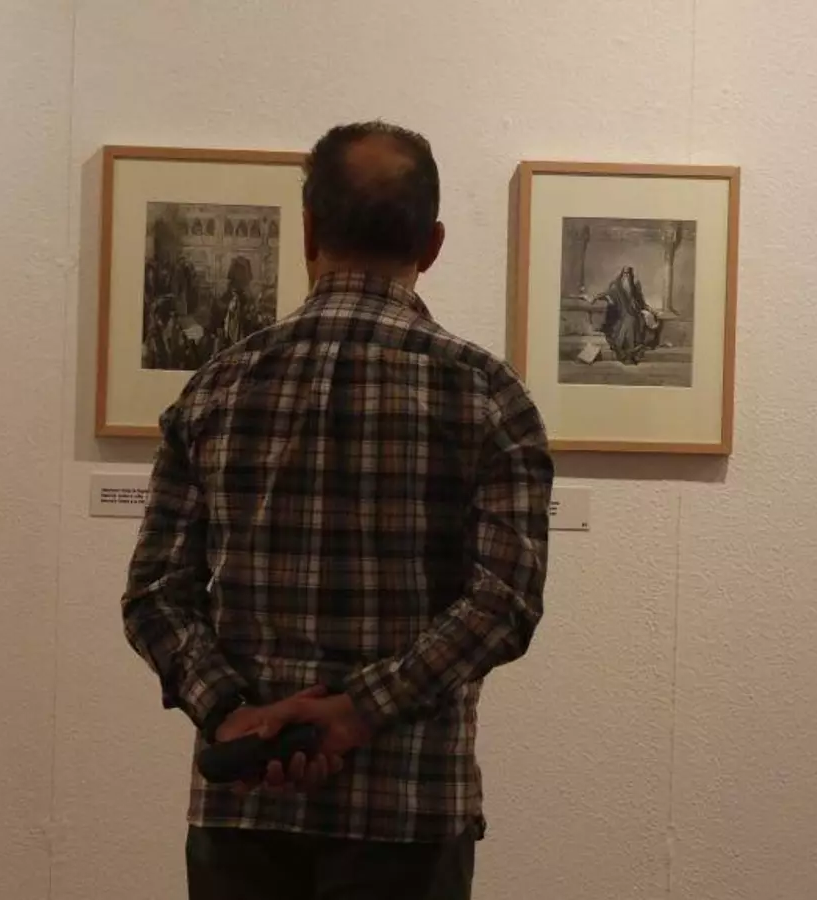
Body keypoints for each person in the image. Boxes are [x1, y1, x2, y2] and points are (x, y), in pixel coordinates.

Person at [121, 119, 554, 900]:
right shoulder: (489, 395)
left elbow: (155, 596)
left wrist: (234, 714)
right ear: (433, 244)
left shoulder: (216, 386)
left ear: (309, 232)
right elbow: (504, 602)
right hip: (409, 809)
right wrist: (358, 711)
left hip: (244, 804)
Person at [598, 266, 662, 364]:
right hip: (619, 315)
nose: (626, 276)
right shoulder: (616, 287)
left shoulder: (634, 288)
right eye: (625, 273)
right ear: (622, 274)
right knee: (629, 321)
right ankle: (629, 353)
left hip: (634, 314)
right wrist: (600, 298)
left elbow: (641, 303)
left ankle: (631, 352)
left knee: (635, 320)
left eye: (628, 274)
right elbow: (606, 295)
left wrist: (651, 310)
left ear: (631, 275)